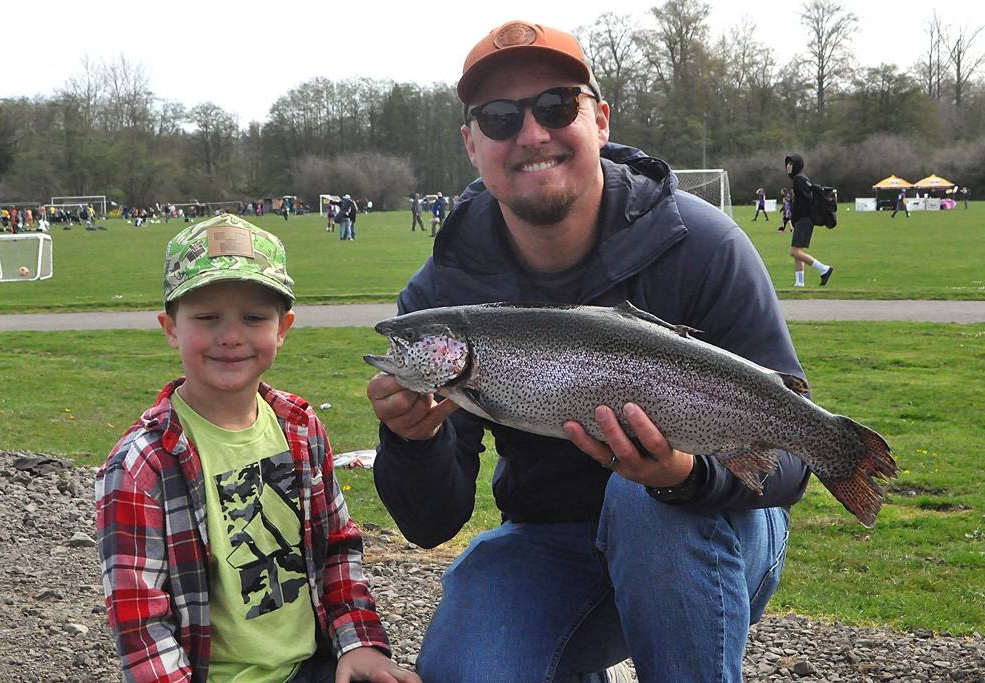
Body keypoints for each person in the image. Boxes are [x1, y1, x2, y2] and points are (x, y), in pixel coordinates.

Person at [366, 20, 807, 683]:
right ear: (471, 143)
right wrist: (411, 440)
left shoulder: (704, 246)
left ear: (600, 119)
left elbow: (795, 458)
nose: (532, 133)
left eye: (555, 105)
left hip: (708, 525)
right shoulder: (443, 293)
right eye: (499, 116)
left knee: (646, 506)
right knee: (466, 669)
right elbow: (432, 522)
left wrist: (683, 474)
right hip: (550, 541)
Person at [96, 214, 418, 683]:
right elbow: (142, 626)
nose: (231, 336)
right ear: (170, 327)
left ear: (283, 326)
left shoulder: (300, 428)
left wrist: (360, 643)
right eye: (207, 318)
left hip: (315, 666)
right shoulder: (141, 466)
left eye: (254, 317)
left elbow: (337, 551)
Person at [786, 153, 833, 287]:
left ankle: (824, 269)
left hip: (804, 219)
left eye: (791, 164)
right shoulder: (802, 178)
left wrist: (797, 216)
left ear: (796, 165)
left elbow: (806, 200)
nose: (788, 166)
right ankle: (799, 283)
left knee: (794, 251)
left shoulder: (798, 180)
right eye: (787, 164)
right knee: (797, 252)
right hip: (804, 219)